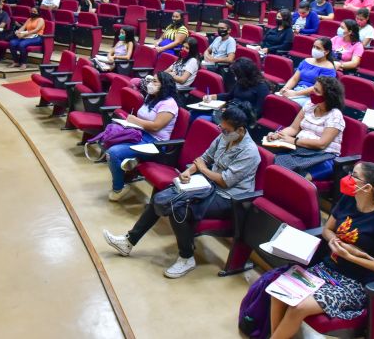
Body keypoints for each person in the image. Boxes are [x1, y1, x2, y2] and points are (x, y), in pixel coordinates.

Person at [103, 104, 261, 278]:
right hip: (208, 185)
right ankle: (129, 241)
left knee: (178, 208)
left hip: (229, 198)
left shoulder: (250, 152)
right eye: (221, 128)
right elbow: (206, 157)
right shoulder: (225, 137)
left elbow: (225, 181)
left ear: (240, 130)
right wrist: (189, 171)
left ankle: (186, 258)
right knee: (163, 195)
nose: (222, 132)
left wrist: (202, 169)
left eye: (226, 130)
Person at [268, 162, 374, 338]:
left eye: (354, 175)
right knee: (278, 293)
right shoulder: (347, 200)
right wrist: (336, 243)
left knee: (298, 307)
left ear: (367, 188)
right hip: (326, 269)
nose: (348, 178)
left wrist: (350, 256)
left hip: (353, 284)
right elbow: (327, 230)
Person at [105, 72, 180, 201]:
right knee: (110, 138)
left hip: (154, 143)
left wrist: (134, 120)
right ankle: (133, 164)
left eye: (155, 81)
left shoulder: (169, 104)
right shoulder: (151, 97)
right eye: (152, 81)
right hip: (140, 134)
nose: (151, 84)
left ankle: (119, 188)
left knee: (113, 153)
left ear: (165, 85)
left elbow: (156, 126)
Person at [270, 76, 346, 181]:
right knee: (275, 164)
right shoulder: (309, 105)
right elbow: (293, 128)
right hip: (300, 150)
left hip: (323, 156)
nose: (312, 92)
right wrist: (278, 135)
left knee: (293, 178)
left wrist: (294, 141)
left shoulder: (335, 115)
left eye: (316, 90)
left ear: (328, 96)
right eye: (313, 88)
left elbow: (322, 144)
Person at [201, 58, 269, 123]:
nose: (235, 77)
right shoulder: (241, 81)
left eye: (236, 74)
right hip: (231, 112)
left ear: (244, 74)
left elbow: (257, 112)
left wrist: (234, 112)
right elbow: (229, 95)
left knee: (205, 120)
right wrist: (212, 97)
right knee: (199, 117)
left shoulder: (262, 87)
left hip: (243, 119)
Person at [278, 37, 337, 106]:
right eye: (314, 47)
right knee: (278, 98)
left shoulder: (329, 68)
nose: (314, 49)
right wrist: (286, 88)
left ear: (326, 52)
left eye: (318, 48)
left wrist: (295, 94)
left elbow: (318, 88)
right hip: (297, 90)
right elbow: (294, 79)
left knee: (290, 103)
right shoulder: (306, 61)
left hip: (311, 97)